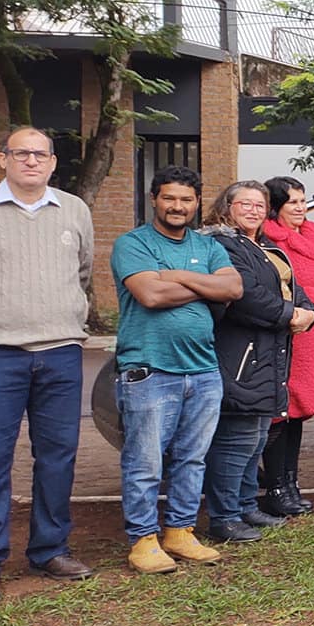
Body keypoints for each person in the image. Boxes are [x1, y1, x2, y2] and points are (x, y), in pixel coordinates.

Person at [0, 127, 96, 609]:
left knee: (58, 455)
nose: (31, 161)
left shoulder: (74, 210)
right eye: (21, 153)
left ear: (52, 163)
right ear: (2, 158)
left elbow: (83, 272)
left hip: (61, 352)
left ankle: (50, 549)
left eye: (40, 154)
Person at [112, 165, 243, 573]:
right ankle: (143, 539)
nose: (177, 206)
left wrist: (179, 277)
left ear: (197, 203)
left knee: (192, 457)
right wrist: (205, 285)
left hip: (203, 370)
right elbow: (149, 294)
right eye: (169, 198)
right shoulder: (132, 244)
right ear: (154, 199)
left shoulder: (208, 247)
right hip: (150, 369)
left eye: (186, 199)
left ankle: (180, 532)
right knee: (145, 461)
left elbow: (234, 288)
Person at [200, 182, 314, 542]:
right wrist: (289, 315)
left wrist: (307, 311)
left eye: (258, 204)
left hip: (271, 352)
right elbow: (247, 296)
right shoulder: (222, 245)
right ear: (227, 206)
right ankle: (224, 516)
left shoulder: (265, 246)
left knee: (257, 437)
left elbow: (298, 293)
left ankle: (247, 505)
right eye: (244, 204)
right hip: (240, 352)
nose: (252, 210)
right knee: (235, 439)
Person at [258, 176, 314, 516]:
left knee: (298, 413)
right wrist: (308, 302)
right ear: (276, 207)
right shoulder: (267, 238)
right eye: (292, 202)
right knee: (281, 411)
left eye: (303, 200)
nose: (301, 207)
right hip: (288, 334)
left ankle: (291, 482)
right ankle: (274, 486)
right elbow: (272, 282)